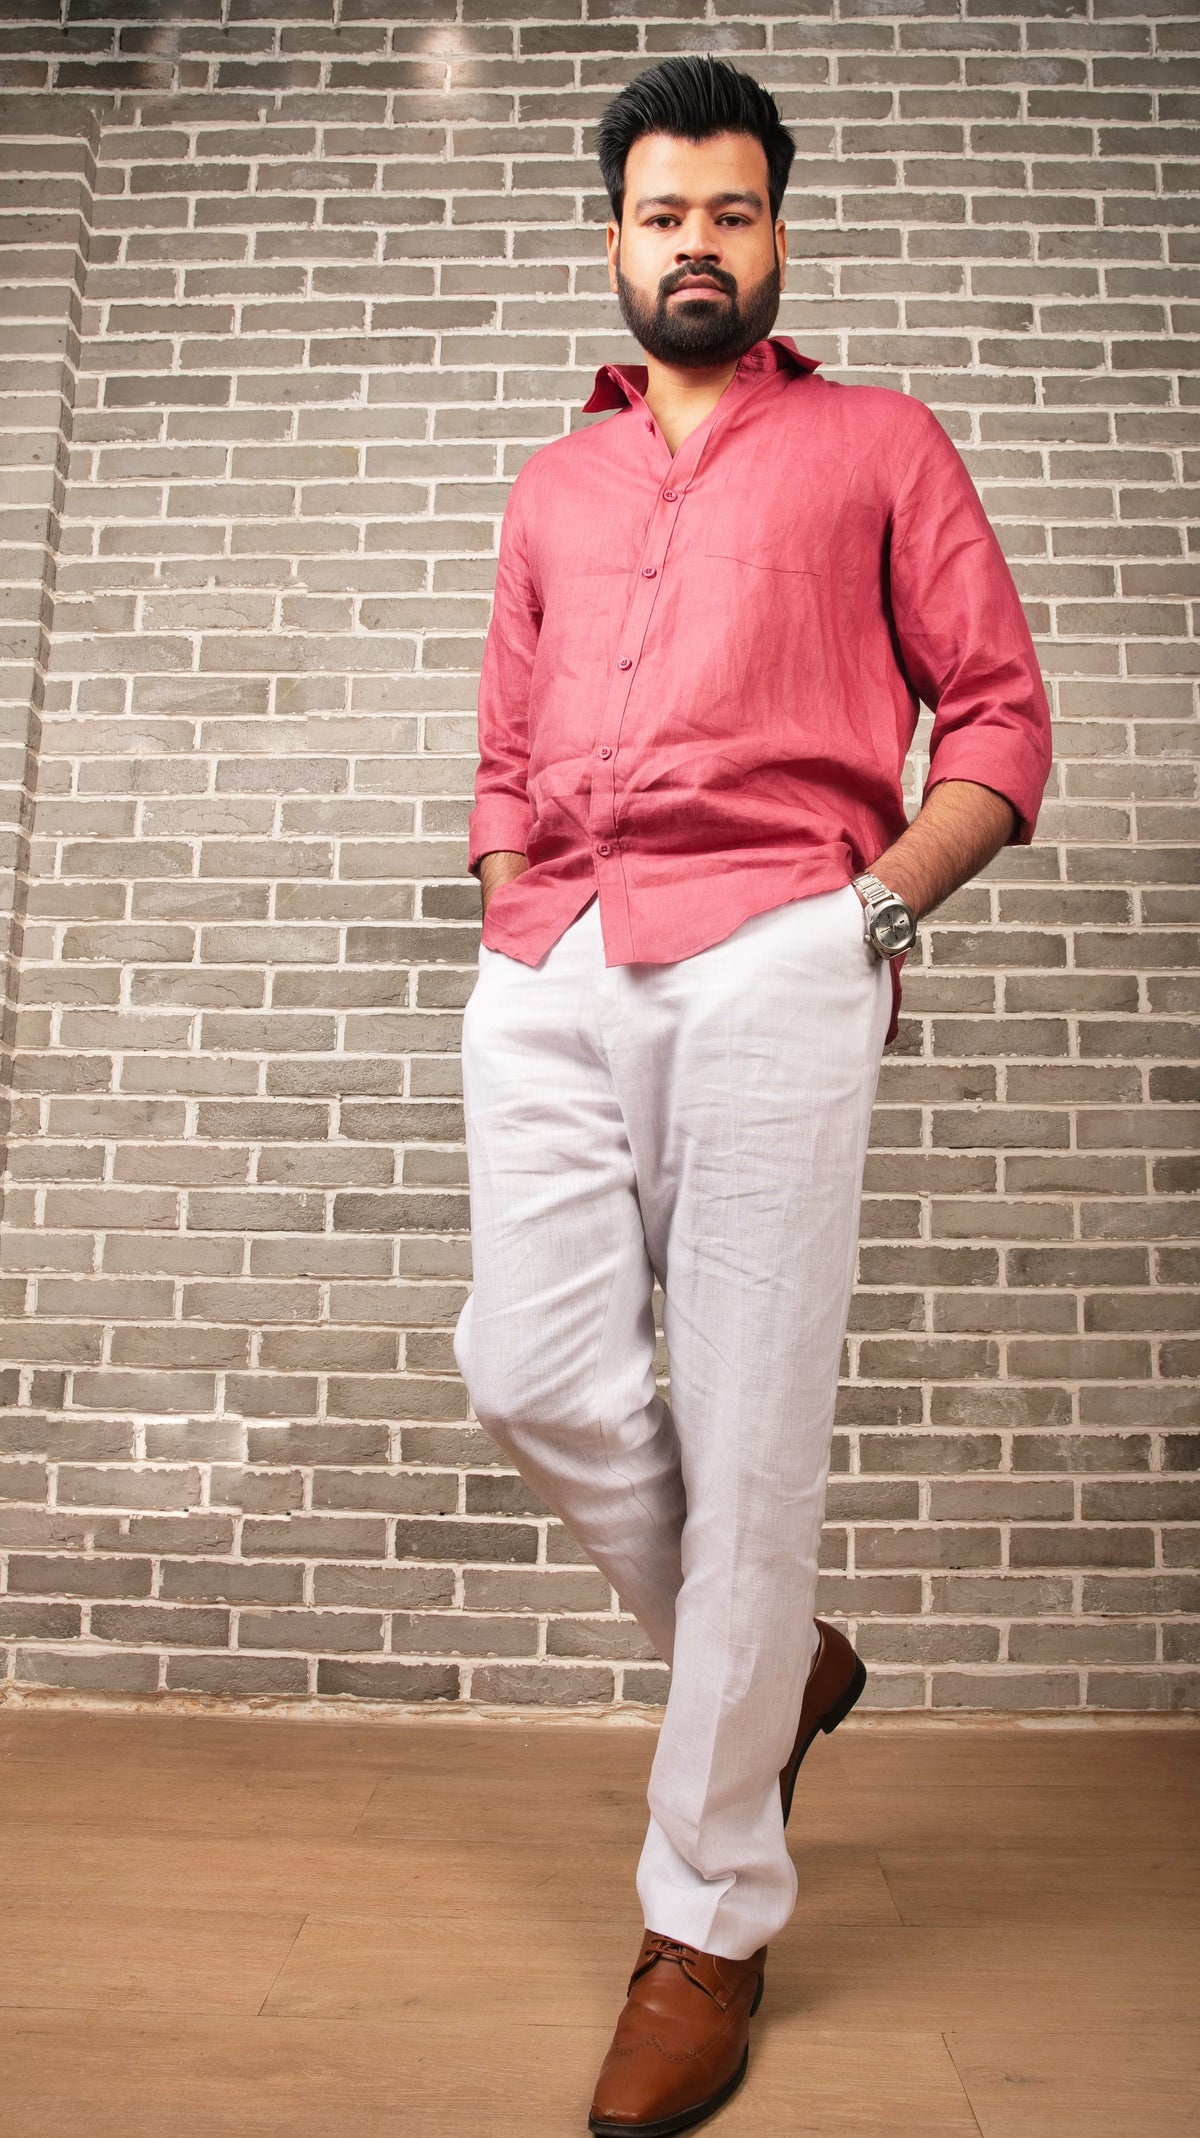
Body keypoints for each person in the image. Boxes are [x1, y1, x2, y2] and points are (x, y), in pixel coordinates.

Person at [452, 54, 1052, 2137]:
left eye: (730, 208)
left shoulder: (881, 443)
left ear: (776, 231)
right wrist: (509, 890)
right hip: (555, 952)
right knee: (530, 1369)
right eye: (660, 212)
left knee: (751, 1420)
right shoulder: (553, 485)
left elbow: (1001, 715)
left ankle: (706, 1915)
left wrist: (866, 919)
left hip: (782, 947)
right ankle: (782, 1657)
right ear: (612, 241)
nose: (694, 242)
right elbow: (505, 741)